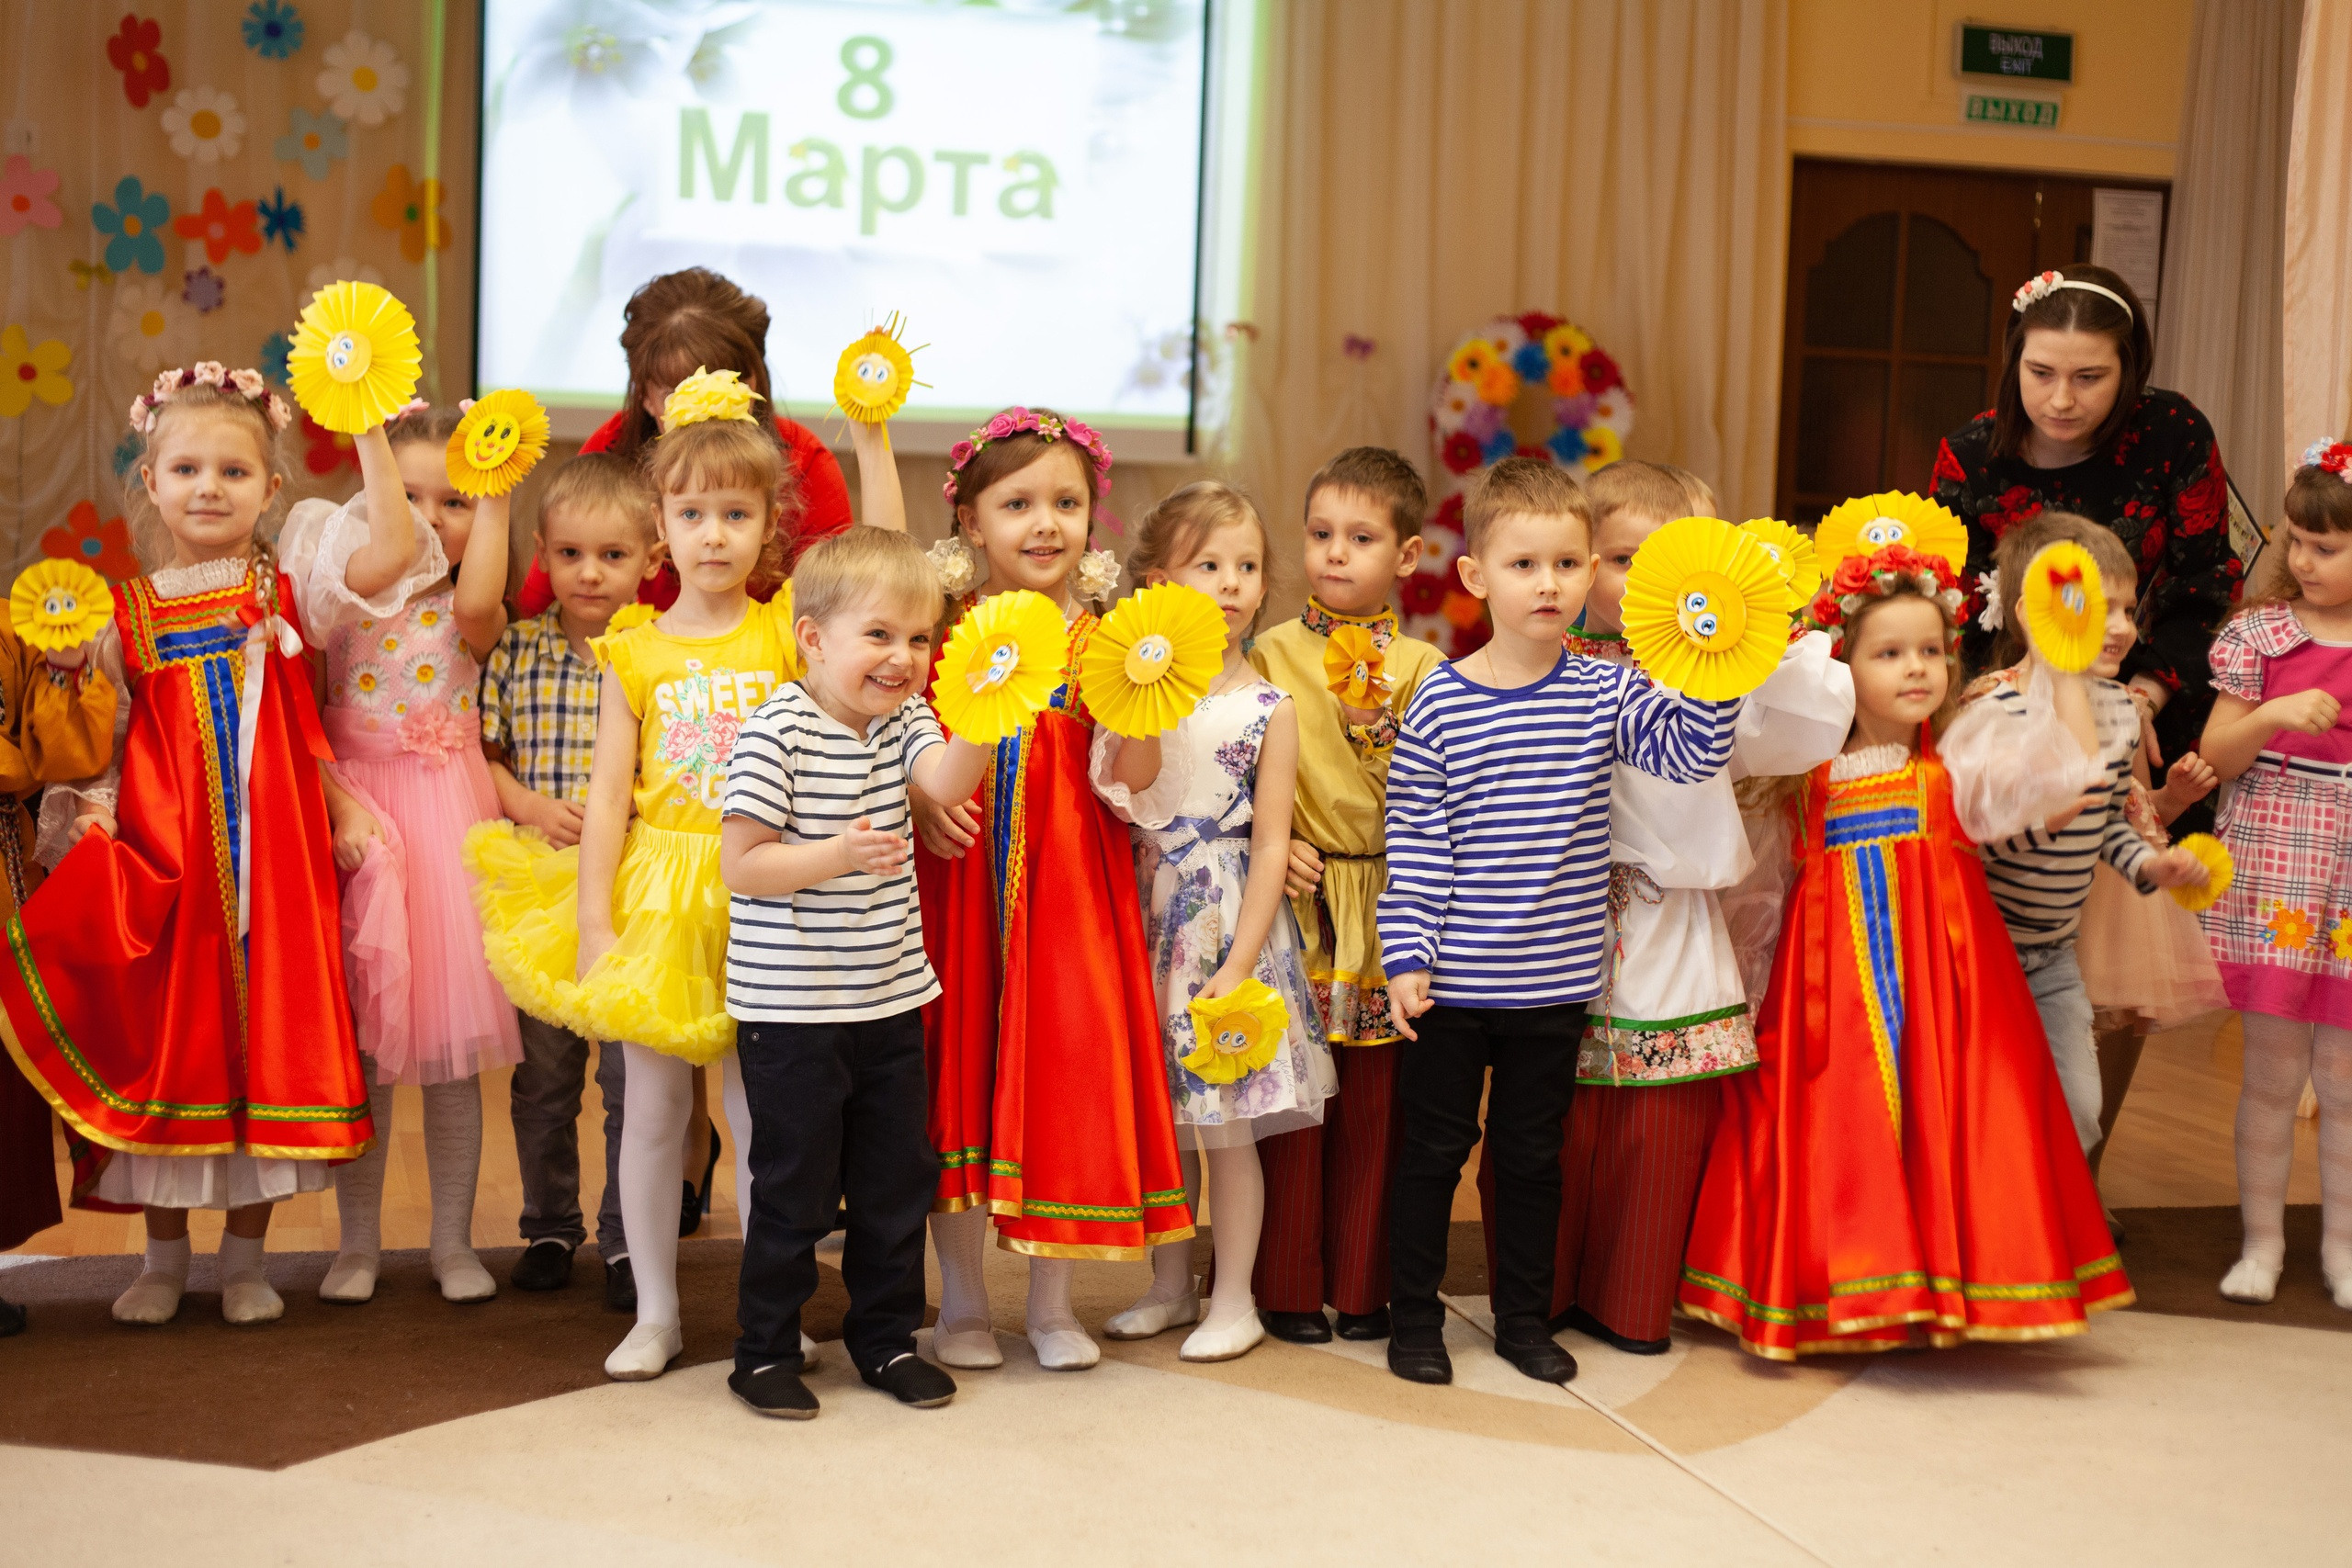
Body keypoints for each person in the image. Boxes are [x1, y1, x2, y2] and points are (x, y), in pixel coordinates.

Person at [469, 368, 904, 1379]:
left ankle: (774, 1309)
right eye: (694, 514)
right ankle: (657, 1314)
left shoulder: (789, 632)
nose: (715, 535)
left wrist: (873, 439)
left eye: (737, 514)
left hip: (769, 898)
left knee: (764, 1119)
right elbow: (608, 801)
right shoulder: (633, 651)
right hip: (661, 900)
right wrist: (594, 923)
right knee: (657, 1110)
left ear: (769, 526)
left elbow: (882, 554)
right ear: (661, 528)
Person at [1, 363, 417, 1326]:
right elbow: (105, 744)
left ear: (271, 488)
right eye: (186, 469)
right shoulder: (127, 614)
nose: (209, 489)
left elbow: (389, 558)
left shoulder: (292, 591)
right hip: (172, 869)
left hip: (276, 869)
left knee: (264, 1046)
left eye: (234, 472)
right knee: (172, 1051)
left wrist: (367, 428)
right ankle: (161, 1261)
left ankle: (244, 1261)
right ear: (150, 483)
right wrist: (93, 809)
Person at [1678, 543, 2133, 1359]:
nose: (1917, 667)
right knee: (1835, 1130)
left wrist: (2061, 664)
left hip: (1949, 992)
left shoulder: (1959, 758)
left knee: (1955, 1121)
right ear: (1842, 668)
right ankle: (1851, 1282)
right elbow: (1759, 890)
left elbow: (2063, 781)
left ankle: (1947, 1284)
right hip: (1830, 997)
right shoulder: (1806, 776)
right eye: (1889, 653)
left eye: (1931, 649)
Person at [1377, 457, 1743, 1387]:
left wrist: (1721, 665)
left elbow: (1690, 753)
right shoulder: (1441, 700)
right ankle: (1414, 1318)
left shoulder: (1604, 691)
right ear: (1475, 577)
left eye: (1568, 564)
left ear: (1589, 575)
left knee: (1531, 1159)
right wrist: (1407, 952)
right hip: (1453, 984)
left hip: (1554, 985)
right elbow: (1415, 837)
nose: (1548, 583)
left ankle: (1521, 1320)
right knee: (1431, 1154)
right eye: (1524, 564)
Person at [1477, 461, 1853, 1356]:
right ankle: (1532, 1298)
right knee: (1543, 1119)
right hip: (1545, 917)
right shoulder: (1537, 664)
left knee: (1659, 1127)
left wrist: (1756, 631)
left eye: (1662, 564)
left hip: (1667, 918)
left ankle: (1632, 1299)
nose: (1636, 583)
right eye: (1616, 560)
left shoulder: (1706, 675)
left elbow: (1798, 725)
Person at [910, 407, 1194, 1374]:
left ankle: (1050, 1302)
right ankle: (959, 1303)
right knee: (957, 1069)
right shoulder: (943, 634)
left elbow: (1134, 779)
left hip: (1072, 896)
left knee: (1065, 1072)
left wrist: (1145, 695)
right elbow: (899, 746)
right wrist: (920, 803)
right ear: (969, 521)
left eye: (1067, 504)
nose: (1045, 524)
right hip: (956, 889)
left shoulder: (1108, 642)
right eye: (1017, 503)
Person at [718, 525, 985, 1418]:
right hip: (793, 1013)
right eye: (879, 634)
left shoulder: (906, 720)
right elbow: (742, 865)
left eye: (918, 638)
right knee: (793, 1188)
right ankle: (763, 1350)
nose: (903, 657)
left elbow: (945, 784)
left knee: (893, 1185)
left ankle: (884, 1339)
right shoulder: (776, 731)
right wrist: (835, 853)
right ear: (813, 638)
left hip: (891, 1001)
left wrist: (984, 712)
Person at [1092, 482, 1335, 1364]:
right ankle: (1170, 1285)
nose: (1232, 583)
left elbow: (1270, 843)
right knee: (1165, 1123)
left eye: (1247, 566)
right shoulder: (1130, 695)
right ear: (1160, 581)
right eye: (1208, 565)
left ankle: (1234, 1298)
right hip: (1144, 918)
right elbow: (1127, 786)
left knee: (1226, 1125)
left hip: (1229, 924)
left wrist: (1238, 962)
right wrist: (1147, 688)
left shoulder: (1270, 707)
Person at [312, 403, 522, 1307]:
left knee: (447, 1052)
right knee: (363, 1051)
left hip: (443, 820)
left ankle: (452, 1242)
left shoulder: (473, 608)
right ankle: (356, 1243)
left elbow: (476, 606)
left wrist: (498, 495)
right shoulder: (338, 595)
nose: (432, 519)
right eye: (408, 498)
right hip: (358, 814)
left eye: (455, 501)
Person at [1243, 447, 1443, 1346]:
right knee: (1291, 1102)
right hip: (1300, 894)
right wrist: (1271, 840)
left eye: (1361, 538)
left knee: (1376, 1106)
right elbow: (1235, 761)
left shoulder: (1426, 666)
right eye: (1320, 533)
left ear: (1407, 554)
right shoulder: (1270, 651)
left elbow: (1439, 792)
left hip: (1389, 895)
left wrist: (1380, 735)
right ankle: (1285, 1283)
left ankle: (1364, 1287)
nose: (1334, 552)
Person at [1930, 264, 2239, 828]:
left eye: (2089, 377)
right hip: (2011, 707)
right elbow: (1955, 609)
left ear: (2130, 370)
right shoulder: (1971, 456)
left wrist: (2142, 698)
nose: (2061, 400)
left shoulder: (2174, 433)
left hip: (2146, 697)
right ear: (2014, 362)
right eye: (2040, 373)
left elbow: (2206, 585)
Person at [1961, 512, 2214, 1159]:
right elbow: (1969, 836)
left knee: (2077, 1109)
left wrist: (2147, 866)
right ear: (2032, 613)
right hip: (1982, 953)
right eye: (2097, 608)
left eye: (2128, 609)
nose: (2122, 627)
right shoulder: (1994, 706)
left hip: (2053, 955)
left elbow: (2105, 821)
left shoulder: (2118, 710)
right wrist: (2037, 823)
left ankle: (2049, 1209)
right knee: (1985, 1102)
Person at [481, 453, 663, 1307]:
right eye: (570, 554)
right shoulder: (516, 650)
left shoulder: (656, 652)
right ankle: (549, 1224)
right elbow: (484, 753)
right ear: (542, 555)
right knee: (546, 1077)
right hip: (542, 897)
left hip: (632, 896)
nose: (590, 573)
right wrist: (525, 801)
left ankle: (627, 1239)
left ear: (651, 559)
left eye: (613, 555)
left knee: (631, 1081)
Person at [2195, 441, 2352, 1310]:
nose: (2303, 560)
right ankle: (2262, 1243)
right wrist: (2275, 715)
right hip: (2278, 859)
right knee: (2272, 1072)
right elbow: (2217, 754)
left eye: (2326, 547)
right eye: (2296, 540)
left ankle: (2343, 1250)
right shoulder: (2260, 633)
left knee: (2346, 1083)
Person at [514, 268, 852, 615]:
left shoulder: (804, 460)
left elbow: (840, 605)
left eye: (724, 388)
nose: (706, 413)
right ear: (645, 397)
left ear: (754, 382)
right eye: (679, 395)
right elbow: (537, 604)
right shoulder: (611, 452)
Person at [0, 587, 120, 1337]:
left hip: (5, 876)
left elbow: (67, 753)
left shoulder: (10, 634)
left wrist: (71, 669)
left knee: (4, 1081)